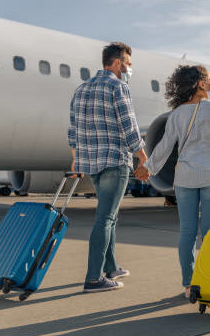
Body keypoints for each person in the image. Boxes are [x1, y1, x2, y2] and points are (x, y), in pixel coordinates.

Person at [134, 65, 210, 298]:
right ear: (200, 83)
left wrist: (146, 167)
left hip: (184, 180)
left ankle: (189, 285)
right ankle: (209, 279)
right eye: (209, 80)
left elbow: (164, 147)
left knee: (187, 233)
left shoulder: (177, 114)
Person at [68, 42, 149, 293]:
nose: (129, 68)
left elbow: (73, 130)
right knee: (105, 218)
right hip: (114, 161)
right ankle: (94, 279)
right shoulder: (118, 86)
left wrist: (76, 157)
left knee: (108, 216)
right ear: (117, 63)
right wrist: (144, 158)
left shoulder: (81, 90)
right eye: (128, 63)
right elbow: (129, 126)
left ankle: (111, 266)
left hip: (92, 163)